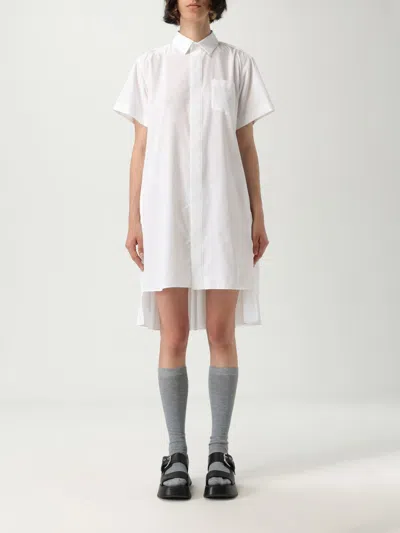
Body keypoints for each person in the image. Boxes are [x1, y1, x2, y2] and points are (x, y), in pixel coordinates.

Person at [113, 0, 275, 500]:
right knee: (175, 334)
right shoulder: (150, 67)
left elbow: (246, 146)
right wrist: (134, 217)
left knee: (222, 333)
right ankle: (176, 454)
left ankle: (219, 453)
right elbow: (141, 148)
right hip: (167, 214)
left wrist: (258, 214)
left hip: (223, 211)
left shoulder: (237, 64)